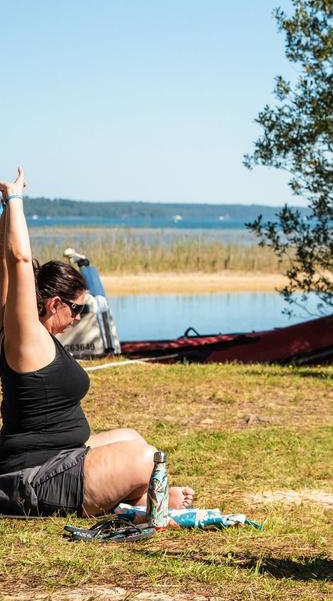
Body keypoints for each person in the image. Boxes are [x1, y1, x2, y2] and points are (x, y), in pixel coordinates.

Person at [0, 167, 195, 516]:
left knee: (131, 437)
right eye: (77, 310)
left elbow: (3, 259)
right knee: (145, 458)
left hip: (62, 456)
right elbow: (16, 260)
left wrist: (3, 207)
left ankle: (136, 498)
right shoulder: (26, 338)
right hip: (35, 478)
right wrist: (15, 199)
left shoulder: (31, 334)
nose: (78, 318)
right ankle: (139, 499)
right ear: (54, 304)